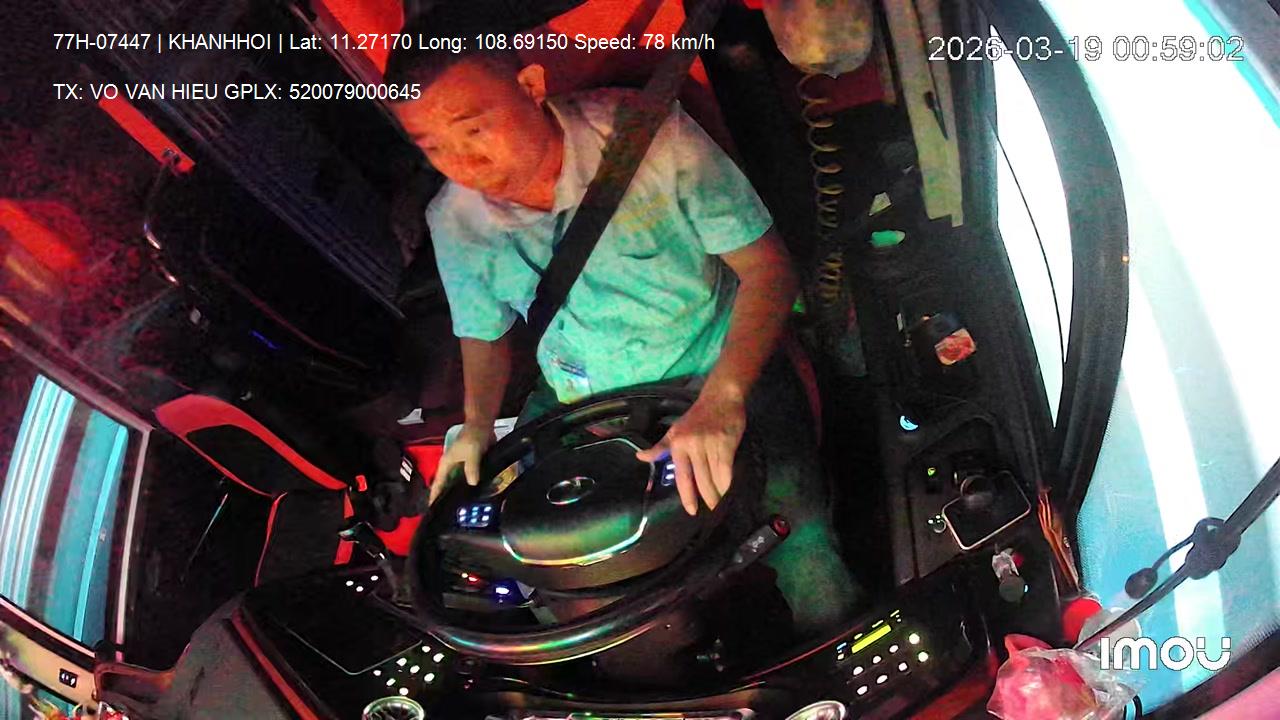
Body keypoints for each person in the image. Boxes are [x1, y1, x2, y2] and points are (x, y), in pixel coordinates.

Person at [385, 47, 858, 634]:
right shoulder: (453, 219)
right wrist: (478, 424)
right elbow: (482, 334)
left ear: (530, 86)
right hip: (578, 397)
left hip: (715, 368)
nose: (463, 163)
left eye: (474, 130)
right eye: (433, 147)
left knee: (802, 540)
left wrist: (723, 398)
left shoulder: (646, 138)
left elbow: (769, 270)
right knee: (534, 561)